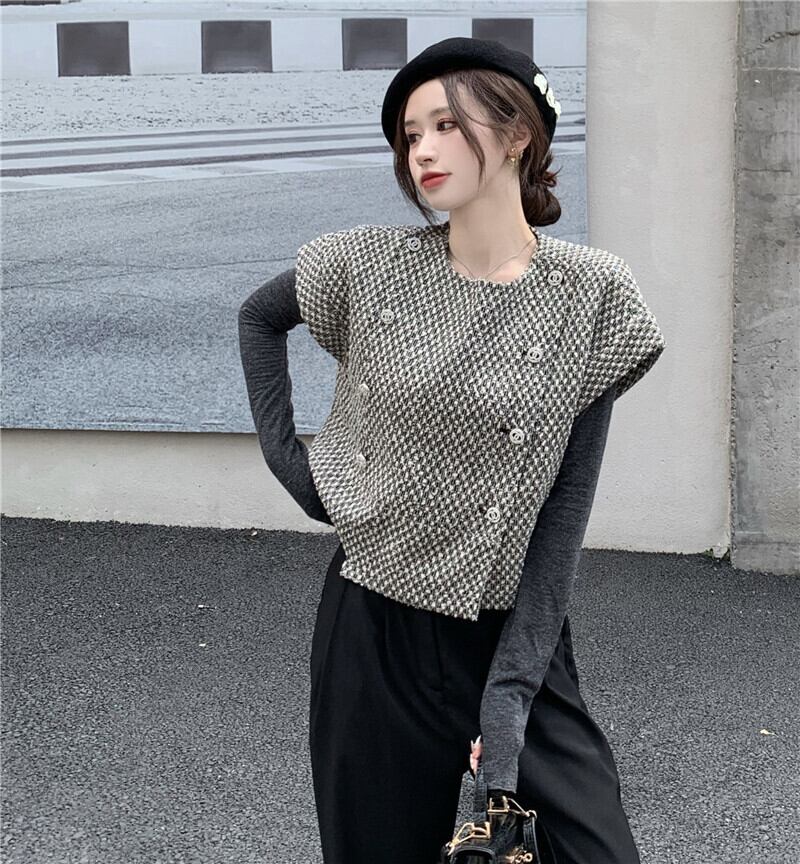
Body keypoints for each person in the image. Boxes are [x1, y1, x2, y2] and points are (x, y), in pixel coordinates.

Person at [238, 36, 665, 864]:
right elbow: (260, 317)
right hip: (372, 630)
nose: (422, 151)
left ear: (518, 134)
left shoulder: (594, 295)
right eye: (410, 135)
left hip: (510, 635)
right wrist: (299, 471)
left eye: (444, 125)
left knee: (593, 850)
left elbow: (561, 521)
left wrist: (506, 705)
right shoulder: (368, 264)